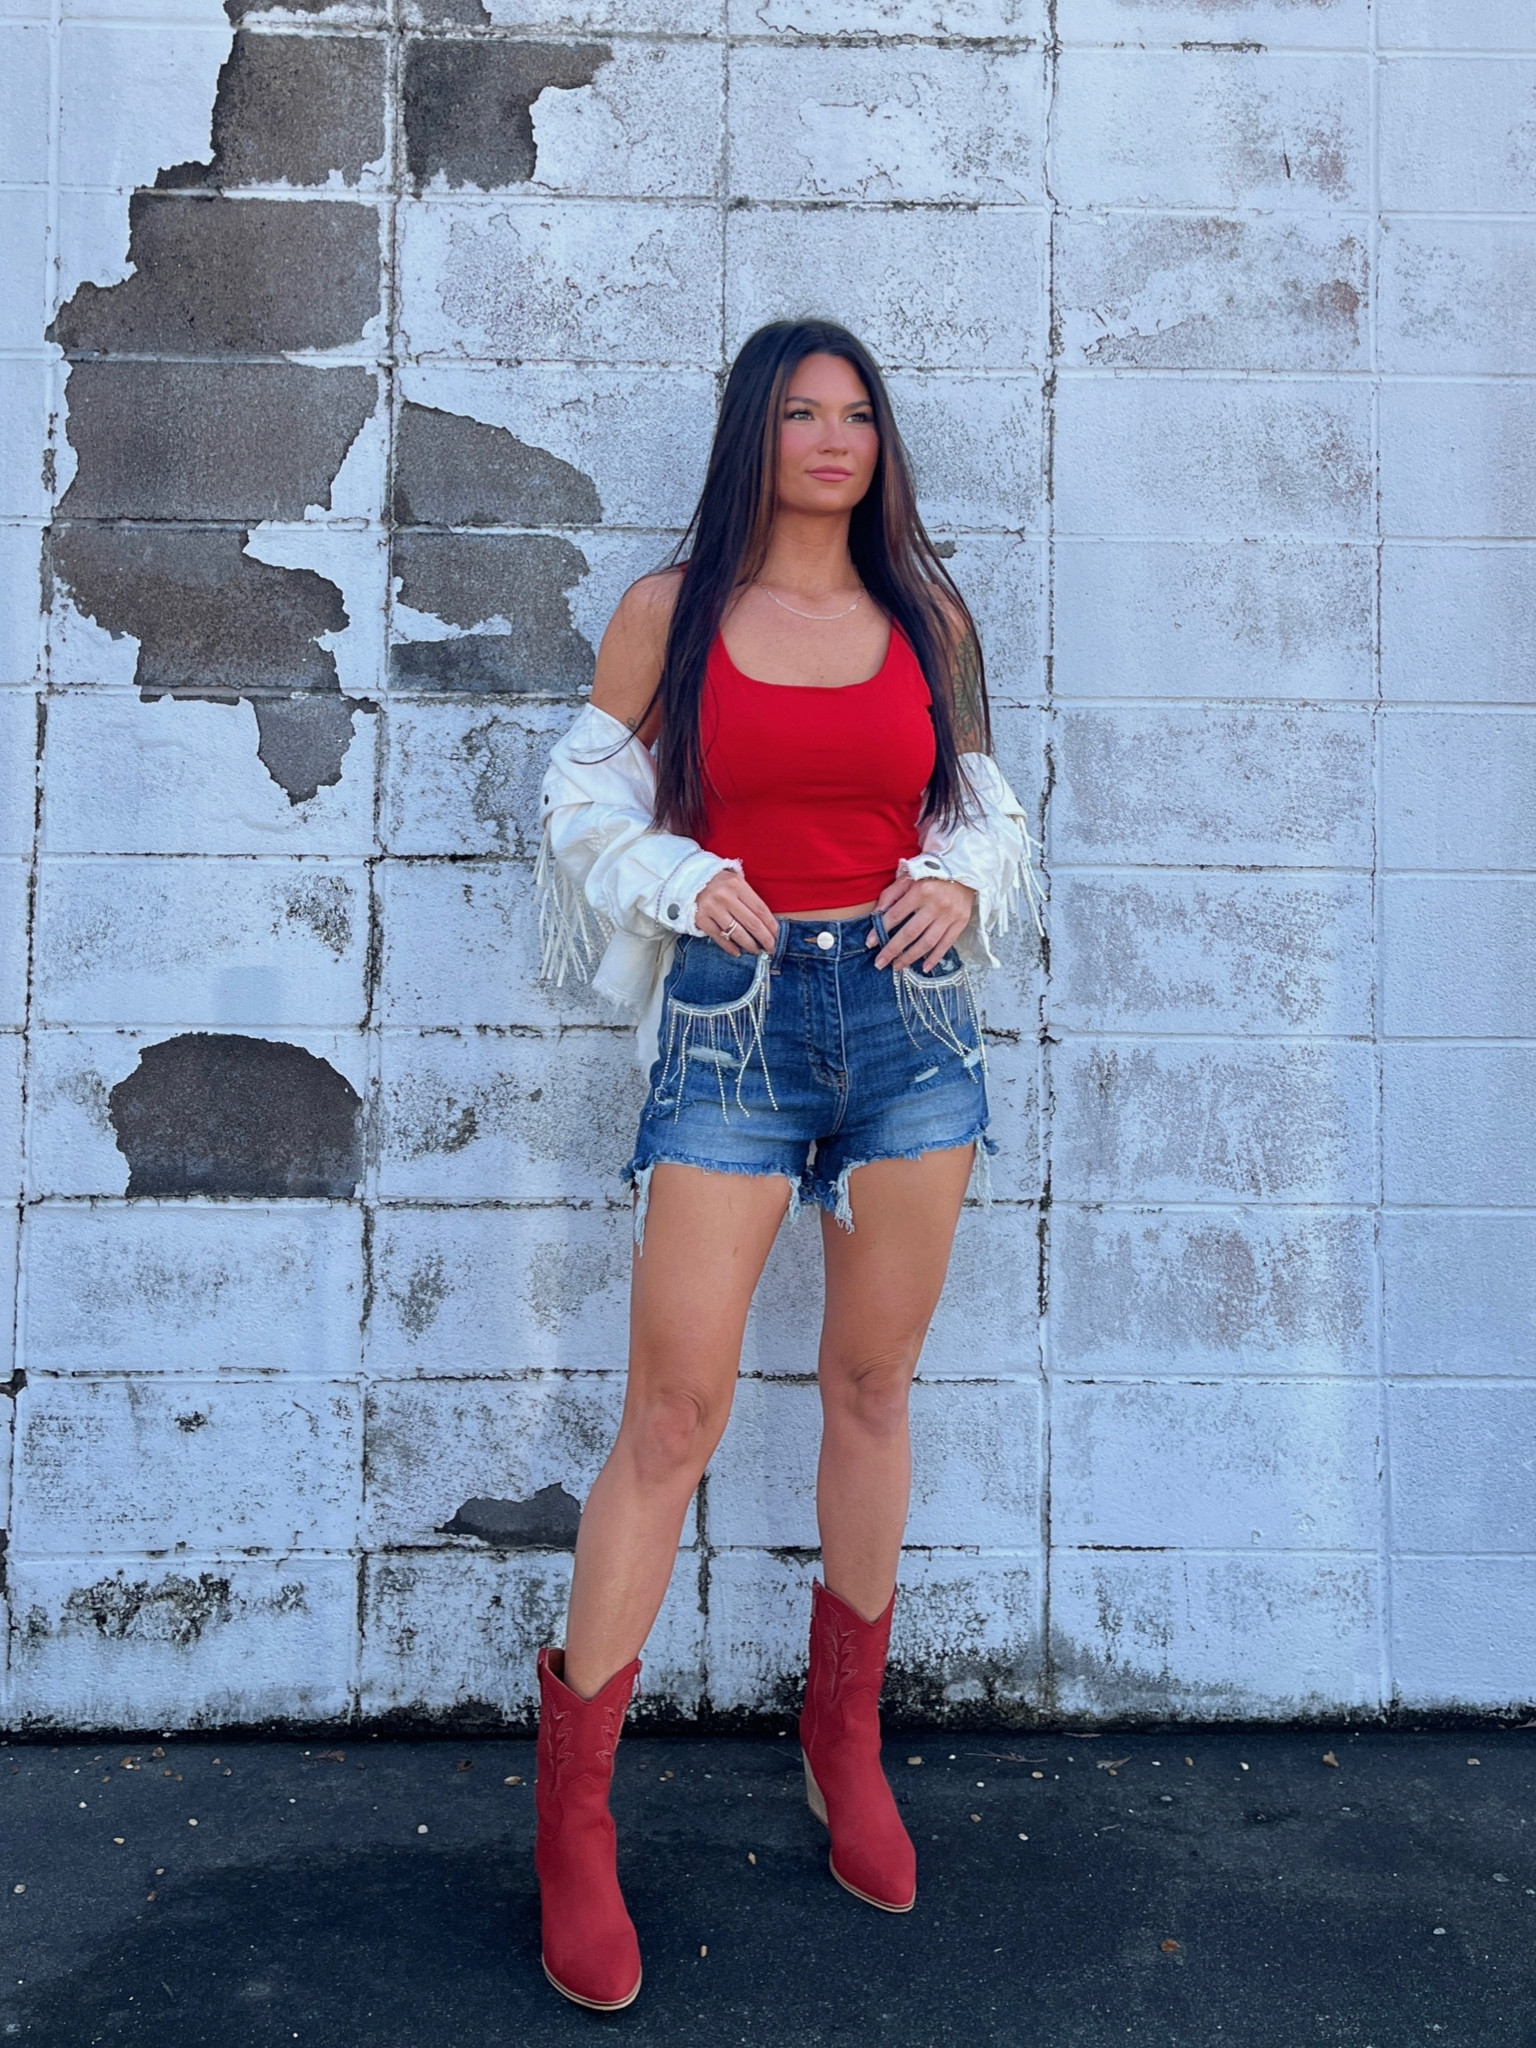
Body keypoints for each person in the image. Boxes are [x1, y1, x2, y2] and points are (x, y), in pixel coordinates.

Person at [531, 318, 1041, 2010]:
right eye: (804, 414)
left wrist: (964, 882)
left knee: (873, 1387)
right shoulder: (670, 616)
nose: (836, 439)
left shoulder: (927, 614)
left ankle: (845, 1739)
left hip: (911, 1032)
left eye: (860, 415)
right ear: (756, 433)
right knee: (673, 1416)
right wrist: (681, 881)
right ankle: (576, 1820)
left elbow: (981, 804)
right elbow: (582, 807)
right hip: (734, 1029)